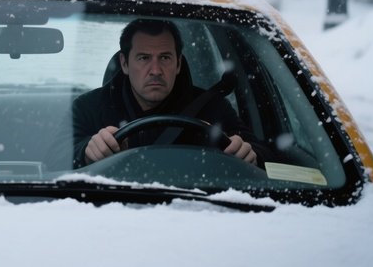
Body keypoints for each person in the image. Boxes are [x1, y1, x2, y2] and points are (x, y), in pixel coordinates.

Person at [52, 18, 267, 169]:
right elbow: (52, 161)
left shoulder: (212, 108)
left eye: (165, 58)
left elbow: (272, 161)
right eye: (144, 58)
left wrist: (250, 155)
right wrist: (86, 153)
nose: (155, 70)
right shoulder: (89, 107)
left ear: (178, 63)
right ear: (125, 64)